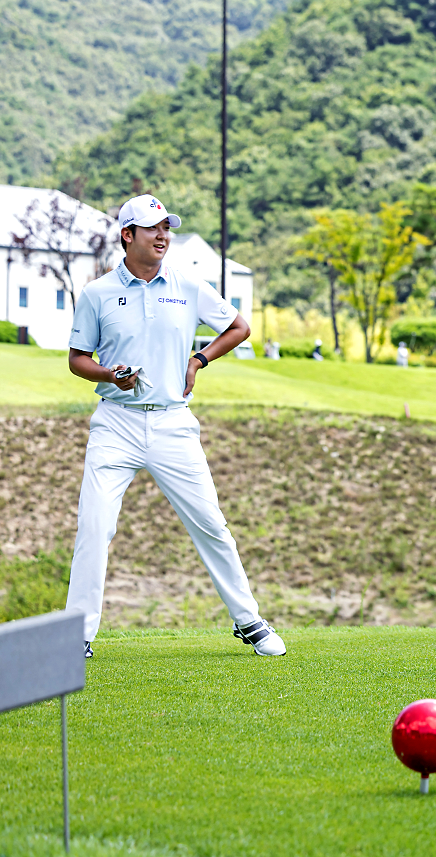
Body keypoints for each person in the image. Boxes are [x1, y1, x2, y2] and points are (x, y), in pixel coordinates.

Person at [65, 194, 286, 658]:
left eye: (167, 228)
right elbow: (78, 360)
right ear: (128, 235)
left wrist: (199, 359)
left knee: (210, 523)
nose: (164, 236)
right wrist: (109, 375)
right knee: (94, 527)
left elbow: (239, 327)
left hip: (172, 424)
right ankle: (77, 635)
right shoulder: (98, 293)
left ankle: (249, 621)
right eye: (153, 228)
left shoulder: (186, 283)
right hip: (115, 426)